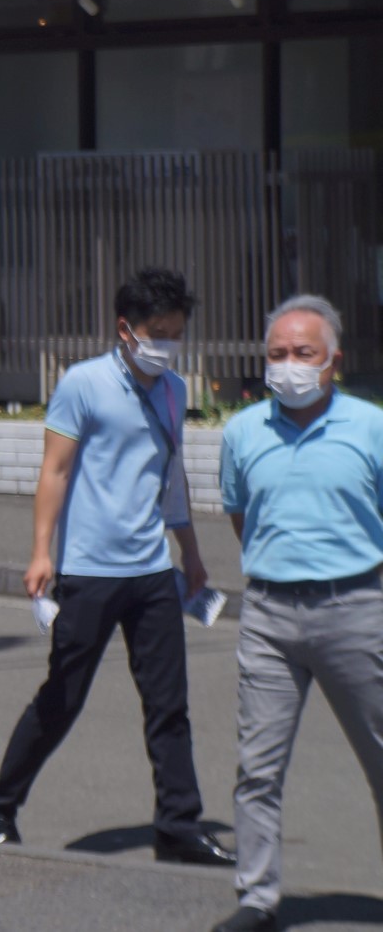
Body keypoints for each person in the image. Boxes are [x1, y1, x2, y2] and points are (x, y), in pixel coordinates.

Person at [0, 268, 233, 867]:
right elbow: (55, 471)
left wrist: (190, 554)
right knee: (63, 697)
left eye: (176, 334)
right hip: (88, 571)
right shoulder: (82, 384)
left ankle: (178, 825)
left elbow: (171, 480)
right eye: (157, 333)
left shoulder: (172, 390)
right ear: (126, 330)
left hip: (151, 572)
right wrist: (41, 552)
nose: (167, 345)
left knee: (169, 703)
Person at [209, 296, 383, 932]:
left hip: (357, 608)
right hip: (269, 615)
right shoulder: (243, 432)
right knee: (257, 767)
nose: (288, 366)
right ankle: (257, 898)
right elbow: (240, 514)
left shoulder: (371, 428)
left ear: (333, 362)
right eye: (277, 354)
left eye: (303, 354)